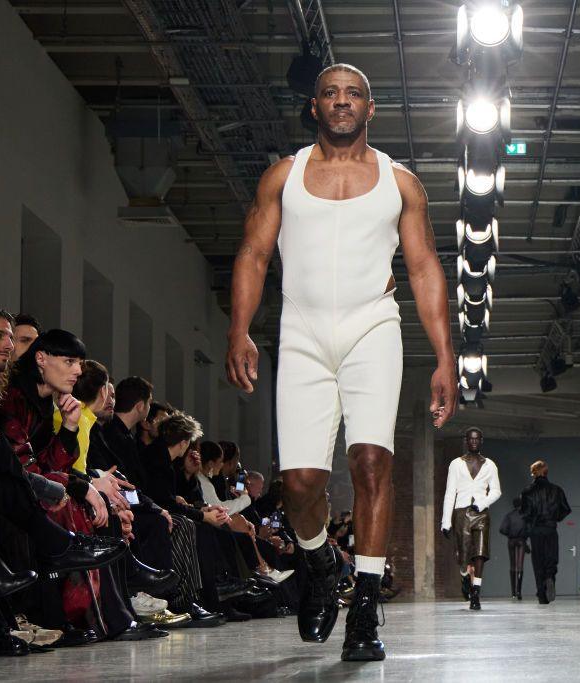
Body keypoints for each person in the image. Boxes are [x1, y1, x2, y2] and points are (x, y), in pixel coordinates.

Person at [225, 63, 456, 662]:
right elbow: (252, 253)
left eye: (353, 93)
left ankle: (366, 609)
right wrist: (239, 330)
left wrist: (444, 357)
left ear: (370, 108)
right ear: (314, 106)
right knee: (300, 484)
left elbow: (425, 266)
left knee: (372, 462)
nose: (342, 101)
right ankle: (321, 561)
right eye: (331, 93)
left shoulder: (400, 182)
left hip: (372, 326)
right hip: (301, 330)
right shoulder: (285, 175)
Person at [440, 428, 501, 610]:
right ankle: (466, 576)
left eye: (477, 439)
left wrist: (482, 503)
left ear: (481, 441)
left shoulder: (490, 465)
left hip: (481, 513)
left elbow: (497, 490)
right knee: (464, 556)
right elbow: (450, 493)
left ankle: (476, 593)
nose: (474, 442)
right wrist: (445, 521)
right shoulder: (456, 464)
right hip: (461, 513)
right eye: (470, 439)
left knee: (481, 553)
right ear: (465, 441)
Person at [520, 460, 570, 605]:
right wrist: (555, 517)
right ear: (546, 472)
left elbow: (524, 513)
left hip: (535, 529)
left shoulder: (527, 491)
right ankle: (550, 577)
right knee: (551, 558)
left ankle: (542, 593)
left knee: (538, 561)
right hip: (550, 527)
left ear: (533, 473)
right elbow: (565, 509)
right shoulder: (557, 490)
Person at [498, 496, 529, 600]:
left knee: (512, 565)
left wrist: (509, 534)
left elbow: (502, 529)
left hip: (511, 541)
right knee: (520, 565)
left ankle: (513, 593)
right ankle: (519, 591)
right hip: (521, 541)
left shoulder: (509, 516)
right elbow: (529, 529)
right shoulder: (525, 515)